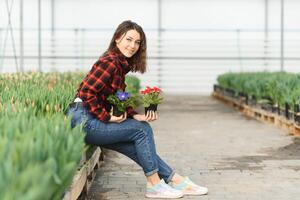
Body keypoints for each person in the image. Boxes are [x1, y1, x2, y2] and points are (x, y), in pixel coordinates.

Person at [67, 20, 208, 199]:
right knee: (141, 131)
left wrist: (135, 115)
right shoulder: (109, 62)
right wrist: (107, 117)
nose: (132, 45)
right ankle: (155, 185)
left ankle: (175, 180)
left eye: (137, 42)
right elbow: (86, 92)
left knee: (136, 145)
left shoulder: (118, 66)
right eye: (129, 39)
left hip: (87, 119)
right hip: (83, 120)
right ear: (117, 38)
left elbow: (119, 99)